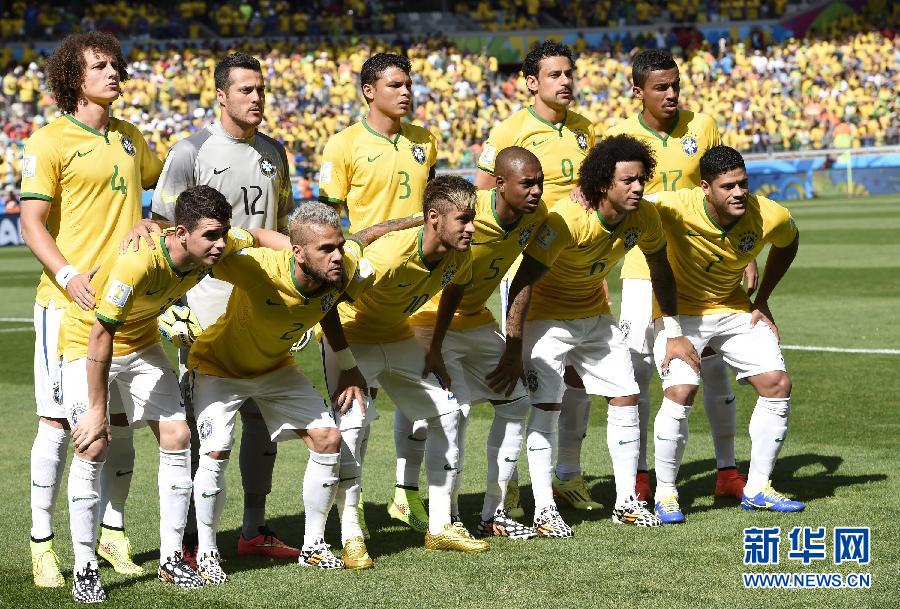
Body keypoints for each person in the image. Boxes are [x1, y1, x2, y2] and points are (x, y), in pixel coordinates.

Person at [58, 185, 284, 602]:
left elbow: (258, 235)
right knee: (93, 445)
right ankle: (84, 567)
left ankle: (171, 559)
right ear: (182, 234)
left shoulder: (213, 243)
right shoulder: (138, 262)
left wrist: (302, 254)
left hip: (142, 343)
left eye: (223, 234)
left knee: (178, 436)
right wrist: (96, 409)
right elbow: (100, 334)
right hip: (86, 342)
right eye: (211, 236)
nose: (220, 245)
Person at [187, 202, 413, 579]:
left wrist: (348, 366)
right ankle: (208, 552)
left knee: (328, 438)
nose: (336, 255)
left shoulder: (341, 266)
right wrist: (152, 231)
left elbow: (358, 249)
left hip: (276, 368)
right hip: (218, 368)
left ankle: (313, 546)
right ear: (298, 253)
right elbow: (196, 249)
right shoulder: (257, 268)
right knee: (216, 450)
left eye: (337, 246)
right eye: (325, 249)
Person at [490, 135, 700, 532]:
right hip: (546, 319)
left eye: (641, 179)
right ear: (604, 183)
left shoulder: (644, 216)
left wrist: (673, 330)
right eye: (627, 180)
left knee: (626, 395)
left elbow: (661, 269)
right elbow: (522, 281)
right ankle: (544, 510)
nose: (637, 188)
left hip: (594, 315)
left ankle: (626, 503)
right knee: (547, 405)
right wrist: (514, 345)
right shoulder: (567, 220)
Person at [18, 31, 162, 588]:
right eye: (100, 66)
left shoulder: (129, 137)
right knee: (60, 425)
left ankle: (113, 533)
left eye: (115, 65)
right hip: (66, 306)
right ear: (73, 79)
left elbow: (163, 184)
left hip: (124, 305)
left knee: (119, 423)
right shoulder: (49, 140)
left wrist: (155, 218)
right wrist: (68, 274)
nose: (113, 73)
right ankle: (41, 543)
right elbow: (31, 223)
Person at [150, 52, 296, 564]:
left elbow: (282, 225)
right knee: (201, 422)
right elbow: (163, 230)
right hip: (206, 303)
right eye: (245, 90)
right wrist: (172, 303)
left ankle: (253, 528)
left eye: (261, 89)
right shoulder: (190, 151)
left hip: (262, 302)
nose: (256, 98)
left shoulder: (275, 152)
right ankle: (191, 538)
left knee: (259, 415)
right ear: (220, 95)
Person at [604, 48, 747, 503]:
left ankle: (727, 470)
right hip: (641, 267)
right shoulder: (620, 137)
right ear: (638, 91)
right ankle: (641, 476)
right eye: (660, 87)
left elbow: (725, 184)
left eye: (675, 85)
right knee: (639, 369)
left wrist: (743, 250)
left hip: (700, 267)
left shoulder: (702, 126)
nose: (671, 94)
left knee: (715, 368)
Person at [321, 175, 488, 555]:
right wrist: (347, 365)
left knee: (449, 413)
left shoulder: (460, 254)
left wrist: (436, 348)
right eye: (463, 219)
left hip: (397, 336)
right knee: (353, 425)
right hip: (351, 335)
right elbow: (327, 301)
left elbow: (456, 287)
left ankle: (440, 526)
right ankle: (350, 535)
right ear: (434, 218)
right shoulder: (389, 257)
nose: (471, 228)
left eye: (472, 218)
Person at [473, 40, 599, 517]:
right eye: (554, 75)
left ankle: (567, 473)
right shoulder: (510, 130)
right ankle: (510, 486)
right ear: (531, 82)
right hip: (525, 266)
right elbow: (484, 199)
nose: (565, 81)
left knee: (577, 372)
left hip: (577, 266)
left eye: (569, 73)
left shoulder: (586, 129)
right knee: (524, 377)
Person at [649, 146, 804, 523]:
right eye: (728, 186)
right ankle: (665, 492)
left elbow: (789, 241)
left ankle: (758, 488)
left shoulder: (769, 214)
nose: (739, 193)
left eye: (743, 184)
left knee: (777, 384)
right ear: (705, 188)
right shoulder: (672, 206)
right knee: (681, 391)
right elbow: (626, 203)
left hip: (733, 308)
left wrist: (763, 299)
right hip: (680, 314)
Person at [318, 52, 438, 533]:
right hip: (363, 291)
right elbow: (326, 223)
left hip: (414, 289)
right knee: (354, 410)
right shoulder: (344, 144)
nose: (406, 92)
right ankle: (348, 511)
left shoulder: (424, 141)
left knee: (425, 405)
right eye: (395, 85)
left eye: (409, 84)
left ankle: (406, 495)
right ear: (369, 91)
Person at [409, 147, 547, 538]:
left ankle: (494, 515)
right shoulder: (471, 211)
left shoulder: (536, 216)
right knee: (454, 415)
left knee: (516, 400)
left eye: (540, 182)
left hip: (475, 319)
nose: (537, 191)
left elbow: (523, 280)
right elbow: (425, 236)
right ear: (500, 184)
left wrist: (514, 346)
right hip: (430, 319)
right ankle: (448, 517)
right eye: (527, 184)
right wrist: (434, 347)